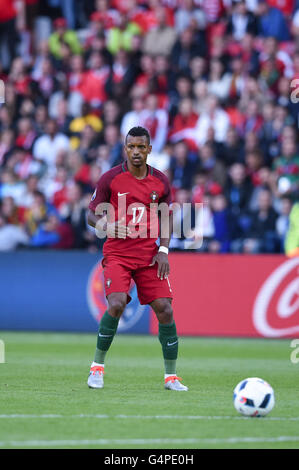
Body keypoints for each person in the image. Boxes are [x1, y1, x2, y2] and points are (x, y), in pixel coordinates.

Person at [86, 126, 188, 391]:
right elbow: (90, 214)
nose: (136, 152)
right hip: (118, 254)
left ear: (149, 149)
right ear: (125, 148)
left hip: (148, 256)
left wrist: (163, 250)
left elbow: (167, 218)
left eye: (141, 147)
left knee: (165, 309)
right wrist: (106, 227)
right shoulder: (110, 179)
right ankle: (97, 368)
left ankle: (171, 377)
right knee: (117, 304)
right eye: (131, 146)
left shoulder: (161, 182)